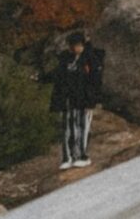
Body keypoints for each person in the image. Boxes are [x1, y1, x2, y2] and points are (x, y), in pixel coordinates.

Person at [43, 30, 104, 170]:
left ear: (82, 45)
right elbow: (57, 75)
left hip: (84, 100)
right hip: (69, 101)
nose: (74, 48)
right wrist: (41, 78)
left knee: (82, 128)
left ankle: (82, 156)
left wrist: (92, 100)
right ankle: (67, 157)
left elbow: (95, 81)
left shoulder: (90, 59)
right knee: (67, 129)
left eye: (77, 45)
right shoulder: (66, 59)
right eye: (72, 45)